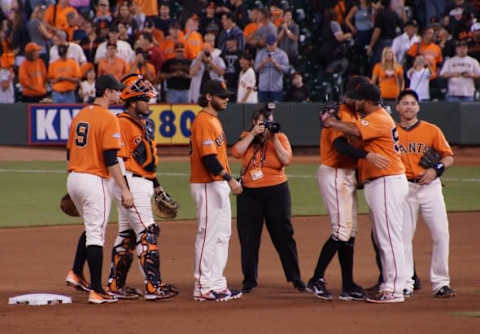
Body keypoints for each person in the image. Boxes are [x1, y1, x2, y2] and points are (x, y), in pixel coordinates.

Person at [323, 82, 409, 303]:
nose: (355, 102)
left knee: (389, 236)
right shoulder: (376, 117)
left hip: (387, 180)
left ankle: (397, 288)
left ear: (367, 101)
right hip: (379, 181)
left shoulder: (379, 117)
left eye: (358, 99)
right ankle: (389, 284)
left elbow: (354, 130)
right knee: (384, 237)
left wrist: (331, 122)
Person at [307, 76, 388, 301]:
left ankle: (348, 284)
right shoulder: (340, 113)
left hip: (346, 174)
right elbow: (339, 144)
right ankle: (316, 280)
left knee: (349, 233)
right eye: (354, 96)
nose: (354, 99)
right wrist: (366, 155)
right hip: (334, 172)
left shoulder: (351, 114)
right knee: (342, 230)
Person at [106, 73, 179, 301]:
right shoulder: (121, 123)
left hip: (141, 182)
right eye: (145, 99)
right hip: (130, 183)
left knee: (127, 234)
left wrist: (156, 186)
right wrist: (125, 189)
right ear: (131, 100)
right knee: (148, 232)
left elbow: (146, 161)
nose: (149, 103)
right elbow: (118, 159)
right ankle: (153, 287)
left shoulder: (142, 123)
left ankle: (115, 286)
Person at [64, 74, 134, 304]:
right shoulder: (108, 118)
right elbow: (111, 158)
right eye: (116, 90)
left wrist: (73, 182)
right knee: (96, 234)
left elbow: (68, 153)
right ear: (106, 92)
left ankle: (76, 273)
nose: (119, 93)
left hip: (74, 177)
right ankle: (96, 290)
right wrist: (124, 190)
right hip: (94, 180)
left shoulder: (80, 115)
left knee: (91, 227)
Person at [231, 104, 305, 294]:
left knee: (284, 236)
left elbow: (286, 160)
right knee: (248, 238)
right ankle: (249, 280)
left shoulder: (280, 137)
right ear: (254, 124)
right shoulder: (245, 137)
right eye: (262, 123)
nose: (266, 127)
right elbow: (236, 152)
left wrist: (273, 139)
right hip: (249, 194)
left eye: (268, 122)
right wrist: (253, 134)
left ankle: (295, 278)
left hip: (276, 192)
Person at [395, 89, 456, 298]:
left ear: (418, 107)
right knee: (403, 237)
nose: (409, 107)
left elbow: (448, 156)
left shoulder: (432, 130)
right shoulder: (391, 132)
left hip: (430, 188)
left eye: (412, 103)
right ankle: (405, 283)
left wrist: (436, 169)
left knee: (441, 234)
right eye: (404, 103)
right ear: (397, 108)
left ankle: (441, 283)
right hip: (404, 188)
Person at [189, 79, 243, 302]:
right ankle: (202, 286)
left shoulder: (214, 120)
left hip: (217, 184)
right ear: (209, 97)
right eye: (222, 96)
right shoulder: (203, 121)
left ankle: (216, 283)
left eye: (227, 95)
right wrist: (230, 179)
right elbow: (209, 158)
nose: (226, 98)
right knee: (208, 235)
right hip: (206, 184)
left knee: (222, 236)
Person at [188, 33, 226, 103]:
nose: (209, 44)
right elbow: (191, 73)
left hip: (214, 90)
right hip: (200, 90)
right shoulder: (198, 55)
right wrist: (200, 59)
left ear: (214, 42)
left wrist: (209, 62)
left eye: (211, 41)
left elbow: (221, 72)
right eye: (207, 41)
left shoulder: (218, 56)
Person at [366, 0, 404, 67]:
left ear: (381, 4)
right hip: (394, 42)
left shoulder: (380, 14)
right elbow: (402, 27)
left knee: (379, 63)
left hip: (383, 42)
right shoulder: (394, 13)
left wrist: (371, 46)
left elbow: (377, 31)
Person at [254, 34, 289, 102]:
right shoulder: (261, 53)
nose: (270, 46)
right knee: (262, 109)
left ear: (276, 43)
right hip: (263, 88)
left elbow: (286, 69)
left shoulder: (282, 54)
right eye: (269, 44)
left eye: (272, 44)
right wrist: (263, 63)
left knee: (276, 110)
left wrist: (276, 64)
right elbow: (256, 68)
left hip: (276, 89)